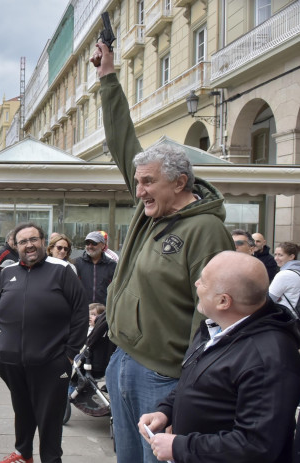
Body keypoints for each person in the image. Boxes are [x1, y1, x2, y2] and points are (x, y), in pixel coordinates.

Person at [93, 40, 234, 463]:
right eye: (137, 182)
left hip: (162, 377)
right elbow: (123, 140)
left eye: (148, 182)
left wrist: (182, 391)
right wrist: (107, 78)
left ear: (179, 182)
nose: (139, 192)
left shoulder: (206, 230)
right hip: (123, 360)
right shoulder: (150, 210)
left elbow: (212, 318)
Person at [138, 251, 300, 463]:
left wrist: (181, 447)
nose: (196, 283)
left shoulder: (268, 357)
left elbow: (256, 445)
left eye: (204, 282)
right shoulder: (214, 327)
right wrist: (165, 411)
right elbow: (196, 381)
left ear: (224, 301)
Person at [0, 223, 88, 463]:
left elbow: (81, 313)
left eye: (33, 239)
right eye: (23, 242)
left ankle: (51, 460)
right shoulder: (8, 273)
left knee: (50, 417)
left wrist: (70, 354)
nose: (29, 245)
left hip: (52, 363)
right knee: (22, 409)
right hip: (11, 361)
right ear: (16, 246)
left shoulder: (62, 271)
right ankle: (23, 454)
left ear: (43, 242)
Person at [74, 231, 117, 305]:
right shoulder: (76, 263)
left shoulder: (112, 265)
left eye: (94, 243)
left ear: (103, 245)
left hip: (104, 311)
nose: (90, 246)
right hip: (82, 309)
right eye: (87, 243)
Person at [268, 241, 300, 312]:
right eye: (275, 254)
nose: (276, 258)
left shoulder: (285, 274)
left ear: (291, 257)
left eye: (280, 255)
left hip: (285, 317)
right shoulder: (297, 271)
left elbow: (269, 299)